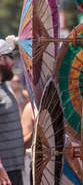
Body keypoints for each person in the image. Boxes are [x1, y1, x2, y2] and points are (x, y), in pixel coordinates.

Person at [0, 38, 25, 185]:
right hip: (4, 173)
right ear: (1, 59)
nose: (13, 62)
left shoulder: (4, 87)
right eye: (11, 57)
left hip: (12, 169)